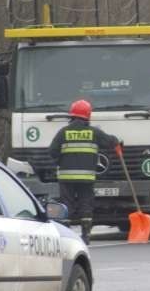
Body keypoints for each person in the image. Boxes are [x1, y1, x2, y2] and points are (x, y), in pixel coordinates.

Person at [50, 99, 120, 244]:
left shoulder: (63, 132)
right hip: (86, 177)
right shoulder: (93, 132)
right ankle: (86, 235)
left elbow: (52, 151)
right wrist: (118, 142)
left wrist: (60, 162)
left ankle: (67, 235)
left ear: (72, 115)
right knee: (86, 204)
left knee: (66, 204)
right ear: (88, 115)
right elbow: (109, 141)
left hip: (66, 177)